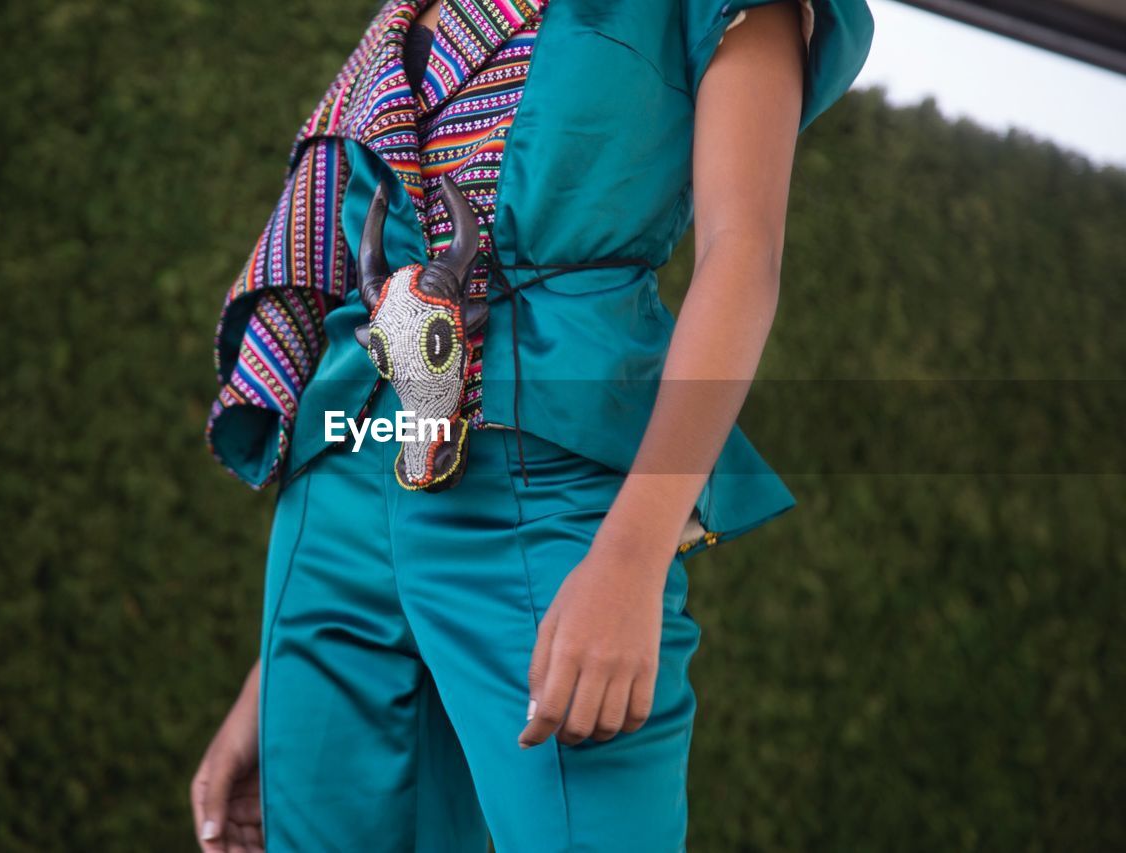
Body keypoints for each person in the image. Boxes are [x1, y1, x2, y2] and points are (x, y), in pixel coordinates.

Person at [191, 0, 874, 850]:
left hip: (552, 491)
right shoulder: (408, 11)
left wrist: (631, 552)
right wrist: (273, 679)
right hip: (339, 490)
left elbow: (744, 258)